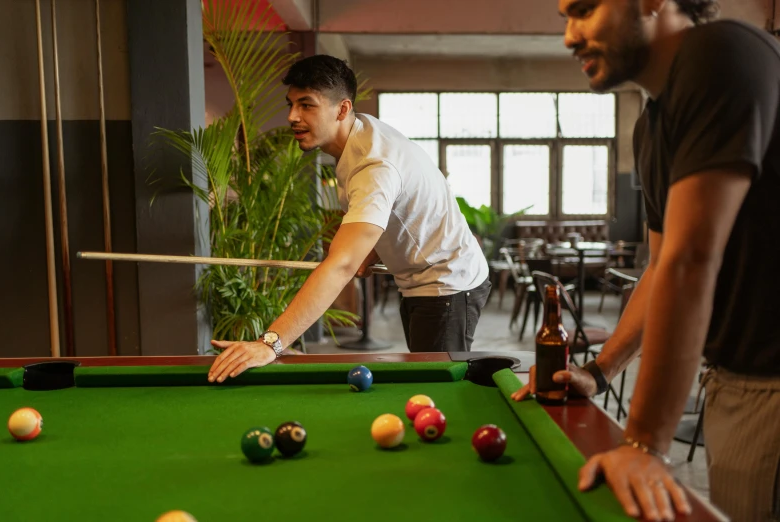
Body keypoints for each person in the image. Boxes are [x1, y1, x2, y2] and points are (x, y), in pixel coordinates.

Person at [513, 1, 780, 520]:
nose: (570, 36)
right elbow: (660, 267)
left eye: (585, 9)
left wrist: (644, 444)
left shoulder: (720, 53)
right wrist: (600, 370)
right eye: (565, 17)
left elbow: (691, 259)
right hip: (732, 382)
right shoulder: (652, 124)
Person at [208, 55, 490, 382]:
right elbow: (395, 208)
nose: (292, 117)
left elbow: (341, 264)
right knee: (422, 375)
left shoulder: (374, 165)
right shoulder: (359, 134)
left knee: (436, 387)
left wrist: (270, 344)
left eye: (306, 105)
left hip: (447, 283)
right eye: (291, 104)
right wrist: (370, 250)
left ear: (342, 110)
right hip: (418, 278)